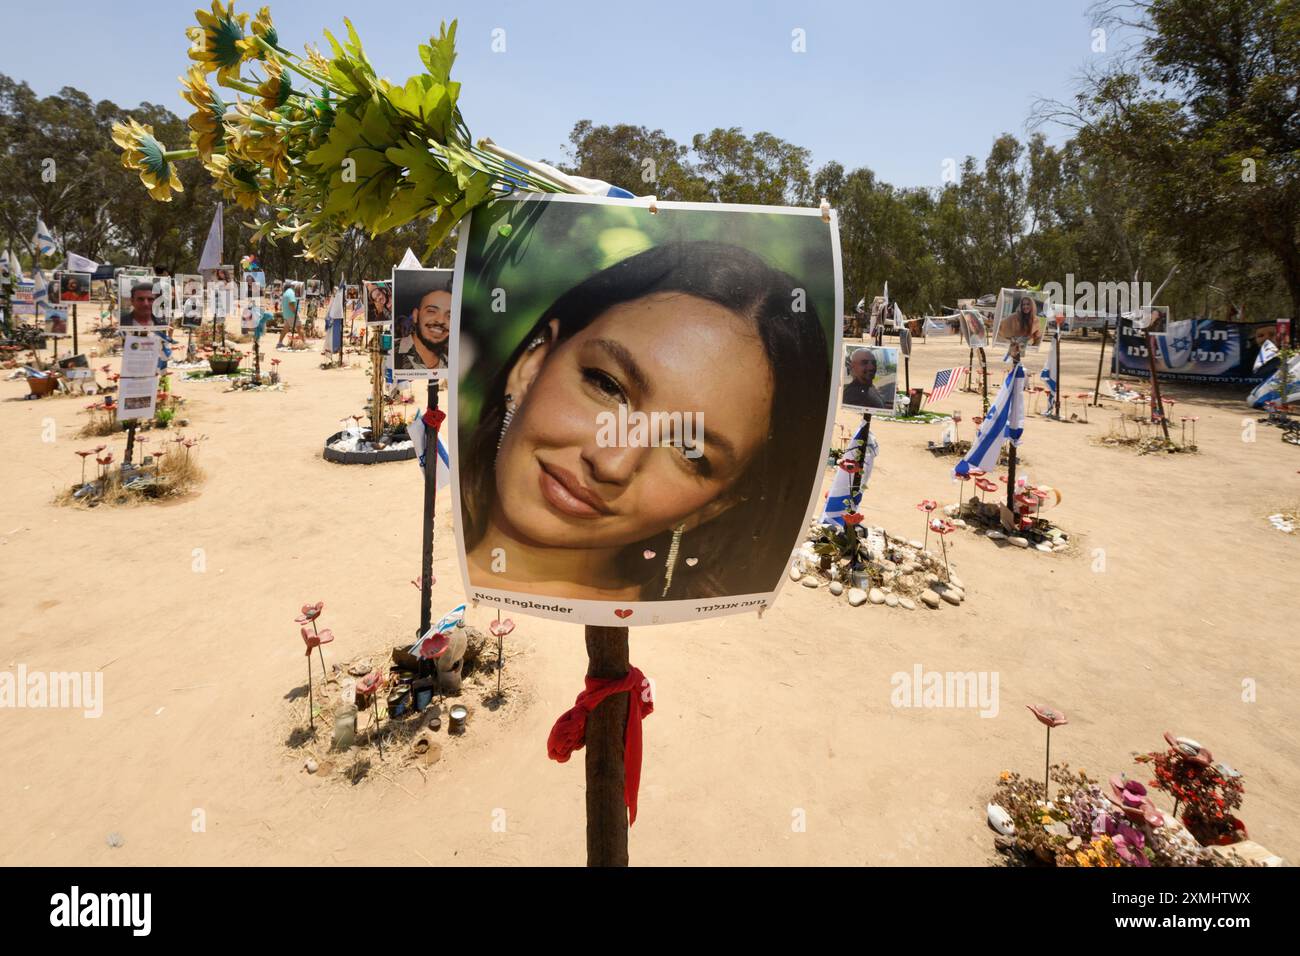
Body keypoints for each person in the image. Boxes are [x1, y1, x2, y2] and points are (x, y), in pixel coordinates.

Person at [460, 240, 830, 602]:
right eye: (607, 386)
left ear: (716, 505)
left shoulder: (685, 637)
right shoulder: (426, 558)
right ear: (532, 365)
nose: (612, 463)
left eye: (688, 450)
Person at [394, 278, 451, 371]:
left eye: (449, 316)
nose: (440, 320)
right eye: (431, 311)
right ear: (415, 315)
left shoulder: (455, 361)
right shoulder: (391, 352)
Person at [276, 282, 299, 348]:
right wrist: (295, 312)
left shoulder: (286, 293)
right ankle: (305, 342)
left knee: (286, 329)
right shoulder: (291, 292)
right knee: (299, 328)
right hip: (291, 314)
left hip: (286, 314)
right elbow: (291, 304)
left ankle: (279, 342)